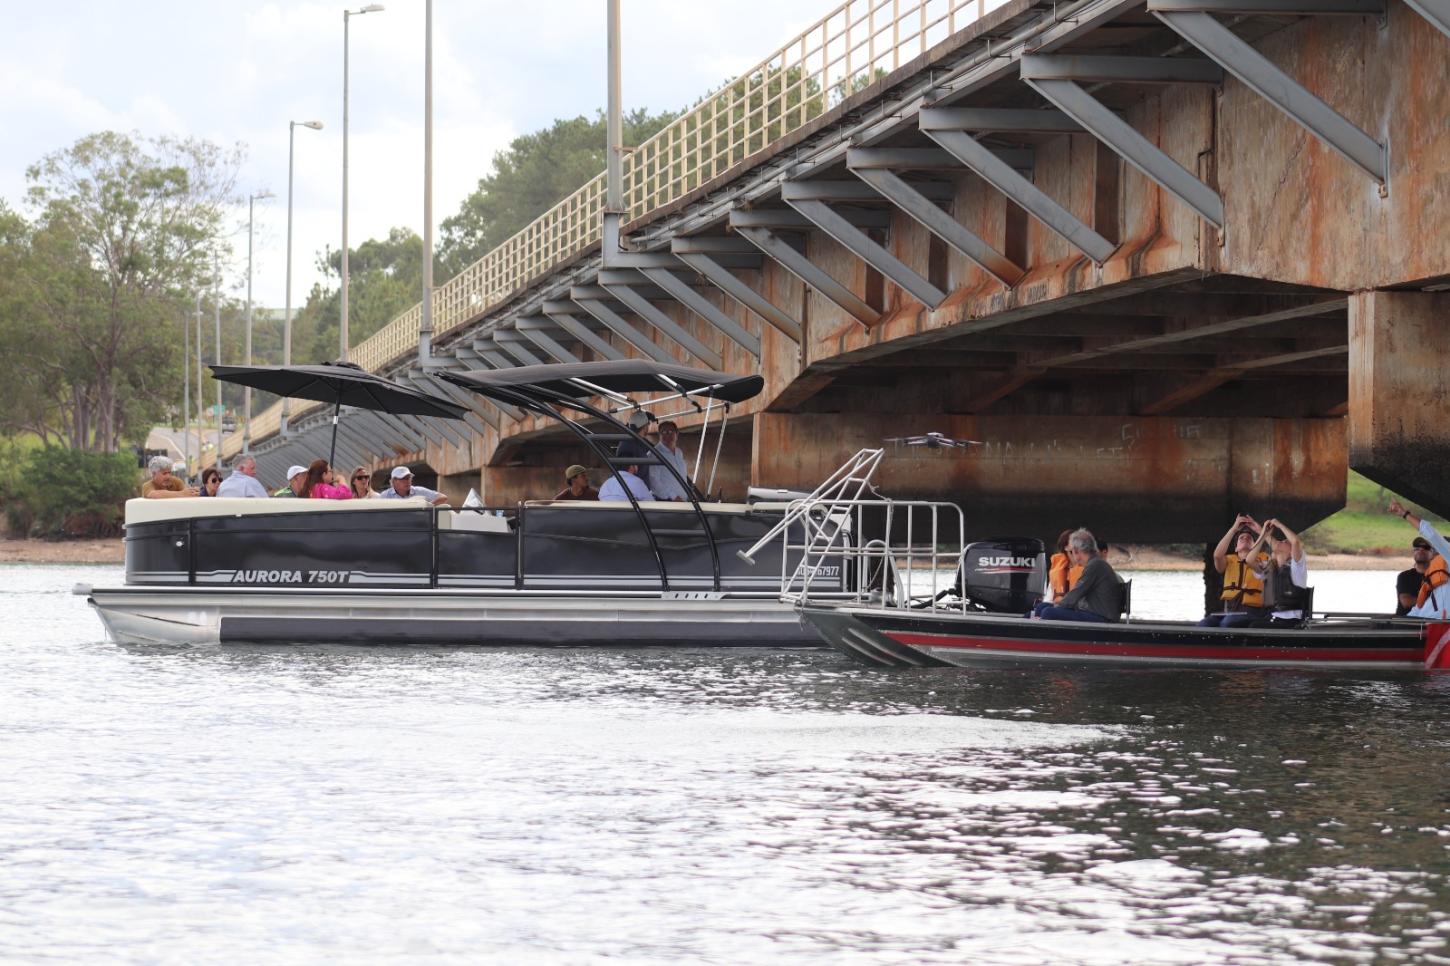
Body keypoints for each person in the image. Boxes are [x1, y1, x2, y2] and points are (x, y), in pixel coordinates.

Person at [1031, 528, 1123, 622]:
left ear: (1076, 551)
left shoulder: (1095, 566)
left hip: (1102, 617)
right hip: (1096, 612)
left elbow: (1076, 593)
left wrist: (1058, 605)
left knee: (1048, 612)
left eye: (1071, 552)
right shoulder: (1096, 563)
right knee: (1043, 607)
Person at [1199, 514, 1269, 628]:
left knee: (1227, 623)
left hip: (1253, 612)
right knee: (1205, 624)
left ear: (1255, 546)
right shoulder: (1228, 561)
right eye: (1241, 538)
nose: (1245, 538)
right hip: (1230, 611)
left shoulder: (1263, 561)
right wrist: (1234, 529)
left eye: (1249, 538)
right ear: (1236, 548)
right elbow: (1217, 555)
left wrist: (1262, 532)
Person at [1388, 500, 1450, 617]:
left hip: (1437, 626)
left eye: (1432, 548)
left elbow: (1430, 533)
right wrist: (1404, 621)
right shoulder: (1434, 575)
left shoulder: (1447, 557)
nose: (1433, 552)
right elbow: (1419, 608)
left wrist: (1404, 514)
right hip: (1422, 622)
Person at [1243, 518, 1309, 626]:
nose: (1279, 542)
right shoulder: (1269, 568)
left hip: (1292, 621)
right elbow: (1249, 560)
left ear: (1291, 552)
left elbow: (1295, 541)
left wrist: (1279, 524)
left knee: (1254, 626)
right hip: (1273, 617)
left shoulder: (1297, 567)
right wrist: (1263, 533)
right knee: (1249, 625)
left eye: (1284, 541)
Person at [647, 420, 693, 501]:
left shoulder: (679, 452)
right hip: (667, 502)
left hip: (683, 501)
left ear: (677, 434)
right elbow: (653, 481)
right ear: (659, 435)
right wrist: (674, 496)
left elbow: (683, 476)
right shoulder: (654, 454)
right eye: (663, 432)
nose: (667, 435)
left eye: (670, 431)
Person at [1396, 536, 1436, 616]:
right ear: (1413, 552)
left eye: (1426, 547)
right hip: (1405, 624)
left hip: (1430, 624)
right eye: (1417, 547)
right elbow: (1406, 602)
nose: (1421, 550)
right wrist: (1434, 601)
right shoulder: (1404, 576)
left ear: (1433, 554)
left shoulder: (1440, 576)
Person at [379, 466, 448, 505]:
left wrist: (427, 506)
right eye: (403, 478)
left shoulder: (420, 491)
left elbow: (443, 497)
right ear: (394, 481)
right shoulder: (384, 496)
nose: (407, 481)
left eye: (409, 478)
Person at [1046, 529, 1073, 602]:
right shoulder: (1057, 567)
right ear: (1065, 547)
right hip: (1057, 605)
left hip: (1073, 607)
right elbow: (1049, 597)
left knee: (1046, 610)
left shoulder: (1086, 566)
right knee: (1041, 607)